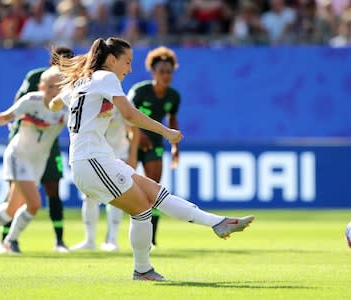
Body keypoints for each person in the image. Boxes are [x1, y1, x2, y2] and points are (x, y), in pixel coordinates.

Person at [50, 37, 254, 281]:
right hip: (91, 160)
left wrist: (51, 104)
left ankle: (218, 222)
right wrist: (166, 132)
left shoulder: (80, 81)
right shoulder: (106, 77)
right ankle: (143, 270)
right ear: (112, 60)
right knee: (143, 211)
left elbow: (54, 103)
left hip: (98, 159)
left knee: (157, 193)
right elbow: (130, 114)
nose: (129, 69)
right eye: (127, 62)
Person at [0, 67, 68, 254]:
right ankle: (11, 240)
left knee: (11, 208)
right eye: (49, 86)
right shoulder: (31, 101)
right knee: (34, 204)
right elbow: (7, 116)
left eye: (58, 86)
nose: (53, 91)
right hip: (18, 156)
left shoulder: (67, 108)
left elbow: (80, 127)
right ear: (41, 87)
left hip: (39, 161)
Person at [0, 46, 74, 253]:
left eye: (69, 65)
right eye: (62, 64)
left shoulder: (72, 85)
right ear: (52, 64)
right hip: (25, 143)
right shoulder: (35, 79)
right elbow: (18, 106)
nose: (65, 69)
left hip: (50, 145)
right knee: (15, 194)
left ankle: (59, 241)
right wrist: (13, 128)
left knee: (53, 190)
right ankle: (5, 239)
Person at [127, 46, 181, 247]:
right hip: (131, 142)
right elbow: (126, 115)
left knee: (154, 190)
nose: (166, 76)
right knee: (121, 186)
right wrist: (139, 135)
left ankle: (151, 238)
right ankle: (112, 236)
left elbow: (172, 120)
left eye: (169, 72)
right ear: (153, 72)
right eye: (162, 72)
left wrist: (175, 147)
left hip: (155, 144)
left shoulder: (173, 97)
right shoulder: (140, 91)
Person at [70, 105, 140, 252]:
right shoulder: (90, 102)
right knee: (89, 196)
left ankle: (112, 239)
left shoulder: (121, 102)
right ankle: (89, 240)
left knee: (118, 196)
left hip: (118, 155)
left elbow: (134, 131)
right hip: (95, 155)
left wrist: (133, 156)